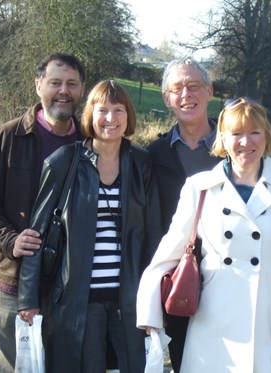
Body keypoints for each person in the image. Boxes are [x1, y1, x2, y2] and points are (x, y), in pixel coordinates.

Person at [137, 97, 271, 372]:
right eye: (237, 134)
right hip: (213, 326)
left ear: (266, 136)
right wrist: (150, 311)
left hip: (269, 324)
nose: (246, 142)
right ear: (222, 138)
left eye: (255, 132)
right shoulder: (199, 188)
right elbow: (169, 251)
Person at [18, 80, 162, 373]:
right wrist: (28, 299)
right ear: (90, 114)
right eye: (103, 110)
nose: (111, 118)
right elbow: (38, 234)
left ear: (128, 116)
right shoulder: (64, 163)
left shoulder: (142, 164)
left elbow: (154, 237)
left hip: (130, 302)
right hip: (79, 303)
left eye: (119, 110)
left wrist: (154, 301)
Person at [0, 53, 86, 372]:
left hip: (68, 289)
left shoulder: (89, 144)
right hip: (12, 282)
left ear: (81, 90)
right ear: (38, 86)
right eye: (55, 82)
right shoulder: (8, 137)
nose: (63, 91)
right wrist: (11, 240)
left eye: (71, 84)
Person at [146, 58, 221, 372]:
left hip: (229, 279)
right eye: (177, 88)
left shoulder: (235, 148)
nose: (186, 94)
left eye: (194, 86)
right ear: (166, 98)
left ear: (209, 92)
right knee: (184, 364)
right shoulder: (152, 155)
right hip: (178, 283)